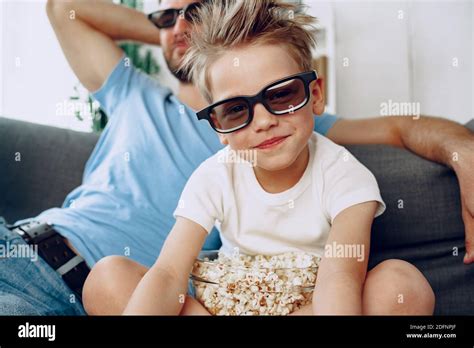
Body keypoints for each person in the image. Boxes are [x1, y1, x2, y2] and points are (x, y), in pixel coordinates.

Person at [0, 0, 471, 315]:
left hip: (290, 295)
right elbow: (64, 8)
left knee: (399, 283)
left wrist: (462, 148)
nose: (262, 119)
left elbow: (342, 274)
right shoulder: (134, 94)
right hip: (22, 253)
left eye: (196, 11)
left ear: (313, 94)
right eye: (234, 109)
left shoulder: (308, 139)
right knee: (109, 277)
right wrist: (184, 30)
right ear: (216, 123)